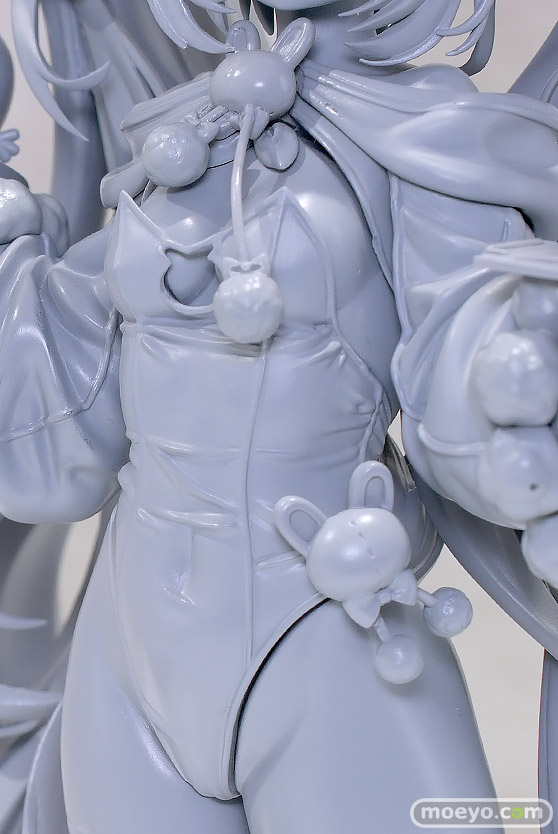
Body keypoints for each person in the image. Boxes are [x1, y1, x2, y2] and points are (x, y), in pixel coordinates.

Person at [3, 0, 558, 831]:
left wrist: (512, 378)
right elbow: (67, 421)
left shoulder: (435, 143)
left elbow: (461, 392)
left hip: (325, 629)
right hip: (130, 645)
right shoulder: (182, 134)